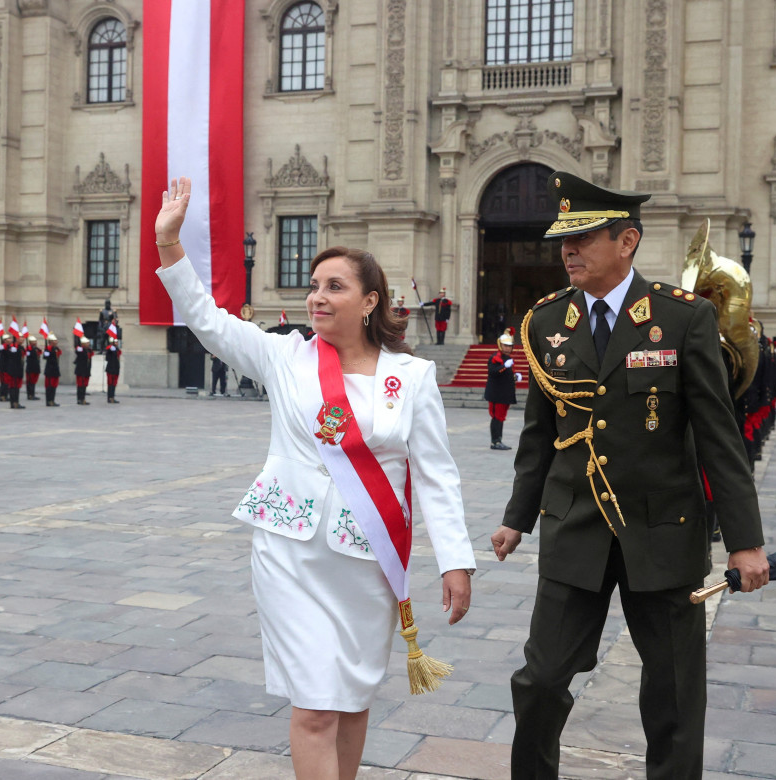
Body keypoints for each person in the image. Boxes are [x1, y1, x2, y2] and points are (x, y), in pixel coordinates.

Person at [154, 178, 475, 780]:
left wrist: (455, 559)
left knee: (351, 702)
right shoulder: (285, 358)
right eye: (314, 287)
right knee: (315, 709)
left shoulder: (413, 377)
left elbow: (435, 476)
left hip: (367, 559)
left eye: (335, 287)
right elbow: (207, 320)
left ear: (371, 300)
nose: (317, 298)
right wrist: (170, 245)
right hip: (290, 552)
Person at [490, 172, 769, 780]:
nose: (567, 250)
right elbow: (541, 434)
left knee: (672, 695)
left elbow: (720, 439)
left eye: (584, 237)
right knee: (539, 681)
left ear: (628, 241)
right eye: (564, 240)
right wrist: (517, 517)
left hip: (662, 530)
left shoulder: (682, 318)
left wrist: (746, 542)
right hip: (574, 528)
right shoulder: (545, 322)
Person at [484, 327, 521, 450]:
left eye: (509, 346)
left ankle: (498, 440)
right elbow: (493, 371)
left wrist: (515, 376)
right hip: (496, 394)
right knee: (496, 417)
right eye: (505, 345)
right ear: (500, 345)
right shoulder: (495, 357)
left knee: (501, 417)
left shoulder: (508, 359)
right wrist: (504, 366)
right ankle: (495, 441)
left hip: (505, 394)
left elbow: (507, 375)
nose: (508, 348)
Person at [43, 335, 62, 407]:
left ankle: (52, 400)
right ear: (50, 342)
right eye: (54, 340)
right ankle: (49, 401)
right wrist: (47, 350)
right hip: (50, 370)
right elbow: (45, 357)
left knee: (54, 386)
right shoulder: (48, 349)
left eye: (56, 340)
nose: (56, 342)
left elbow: (59, 353)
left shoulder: (56, 348)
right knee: (49, 386)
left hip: (55, 370)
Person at [74, 336, 93, 405]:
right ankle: (80, 399)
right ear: (83, 344)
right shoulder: (80, 350)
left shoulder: (89, 351)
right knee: (80, 385)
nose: (88, 344)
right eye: (87, 343)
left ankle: (83, 399)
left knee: (84, 385)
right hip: (80, 370)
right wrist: (78, 343)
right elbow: (77, 350)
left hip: (86, 370)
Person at [25, 336, 42, 401]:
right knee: (30, 382)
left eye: (35, 341)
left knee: (33, 382)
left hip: (36, 367)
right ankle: (30, 395)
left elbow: (40, 353)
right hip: (30, 367)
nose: (34, 343)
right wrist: (30, 349)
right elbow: (28, 355)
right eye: (33, 341)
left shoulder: (36, 349)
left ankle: (32, 394)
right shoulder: (28, 349)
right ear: (30, 342)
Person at [104, 337, 121, 403]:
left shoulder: (117, 350)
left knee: (114, 384)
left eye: (117, 342)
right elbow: (107, 357)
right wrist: (110, 349)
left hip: (116, 369)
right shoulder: (110, 349)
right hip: (110, 369)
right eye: (115, 342)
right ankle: (109, 398)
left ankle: (112, 397)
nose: (117, 343)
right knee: (110, 384)